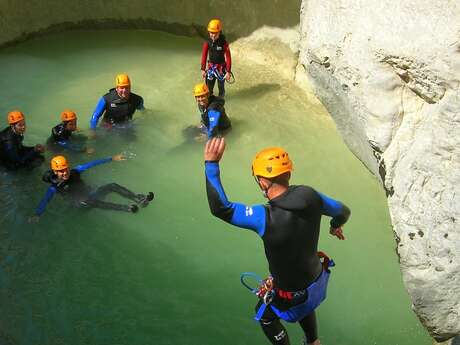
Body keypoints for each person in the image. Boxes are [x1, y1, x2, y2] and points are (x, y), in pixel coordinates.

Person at [204, 137, 351, 345]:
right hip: (317, 283)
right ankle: (313, 341)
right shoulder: (310, 195)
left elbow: (221, 208)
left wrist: (211, 164)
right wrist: (335, 225)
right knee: (300, 297)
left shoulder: (264, 217)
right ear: (288, 173)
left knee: (264, 315)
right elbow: (343, 211)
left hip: (293, 295)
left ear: (263, 181)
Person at [31, 154, 153, 221]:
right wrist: (37, 214)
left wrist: (111, 158)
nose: (65, 172)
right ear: (55, 172)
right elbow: (45, 200)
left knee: (112, 185)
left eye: (66, 169)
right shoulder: (54, 187)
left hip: (91, 195)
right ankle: (125, 208)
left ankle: (138, 198)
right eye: (61, 171)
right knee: (87, 201)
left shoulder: (75, 171)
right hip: (81, 205)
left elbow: (92, 163)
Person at [201, 19, 232, 97]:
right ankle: (210, 100)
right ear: (209, 32)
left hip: (221, 69)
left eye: (215, 33)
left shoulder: (223, 43)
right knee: (209, 87)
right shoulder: (207, 42)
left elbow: (228, 57)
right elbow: (204, 56)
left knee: (221, 87)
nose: (213, 35)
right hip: (211, 69)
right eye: (211, 33)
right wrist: (203, 69)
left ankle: (221, 100)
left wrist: (228, 71)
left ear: (219, 32)